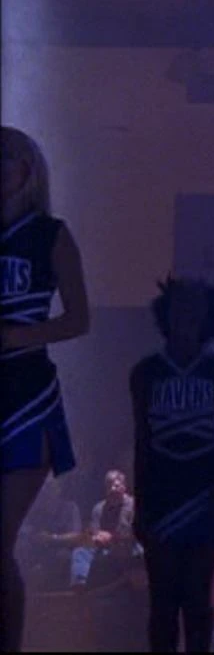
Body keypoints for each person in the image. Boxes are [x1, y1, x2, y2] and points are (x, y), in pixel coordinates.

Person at [1, 126, 90, 651]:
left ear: (28, 170)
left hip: (28, 398)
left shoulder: (50, 234)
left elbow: (79, 319)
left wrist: (15, 336)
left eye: (6, 158)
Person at [131, 276, 214, 651]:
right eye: (179, 310)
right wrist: (141, 506)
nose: (186, 319)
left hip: (205, 498)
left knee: (197, 601)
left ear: (207, 317)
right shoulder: (147, 372)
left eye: (194, 311)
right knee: (162, 602)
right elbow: (142, 441)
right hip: (161, 498)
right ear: (165, 314)